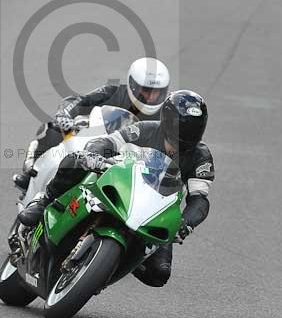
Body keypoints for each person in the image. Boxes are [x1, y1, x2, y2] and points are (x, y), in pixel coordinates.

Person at [18, 90, 215, 288]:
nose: (182, 140)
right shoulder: (145, 129)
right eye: (178, 131)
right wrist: (95, 155)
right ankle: (44, 201)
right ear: (167, 122)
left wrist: (185, 223)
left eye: (191, 134)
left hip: (155, 210)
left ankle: (109, 266)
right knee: (76, 160)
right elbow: (109, 141)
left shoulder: (201, 156)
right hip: (122, 186)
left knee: (159, 274)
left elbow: (199, 199)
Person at [13, 57, 170, 191]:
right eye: (146, 90)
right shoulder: (113, 92)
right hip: (98, 143)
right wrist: (64, 114)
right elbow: (79, 101)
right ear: (133, 84)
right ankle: (32, 171)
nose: (151, 97)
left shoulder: (167, 111)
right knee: (54, 128)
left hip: (135, 162)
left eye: (157, 92)